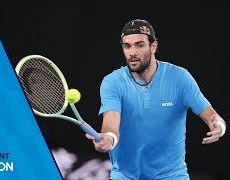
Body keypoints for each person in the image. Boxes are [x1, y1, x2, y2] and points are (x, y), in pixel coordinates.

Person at [85, 19, 227, 180]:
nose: (132, 52)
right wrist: (108, 139)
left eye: (139, 45)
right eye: (127, 46)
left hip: (172, 176)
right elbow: (111, 124)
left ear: (153, 46)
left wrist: (219, 126)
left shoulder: (180, 78)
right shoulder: (112, 82)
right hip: (125, 176)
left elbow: (213, 116)